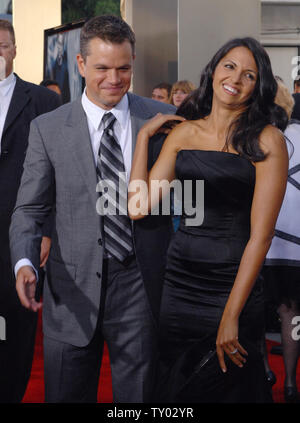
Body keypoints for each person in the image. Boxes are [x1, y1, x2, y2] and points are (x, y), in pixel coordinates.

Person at [9, 15, 175, 403]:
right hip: (71, 291)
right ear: (81, 65)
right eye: (102, 68)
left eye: (124, 68)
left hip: (141, 288)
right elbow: (29, 209)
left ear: (133, 62)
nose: (113, 79)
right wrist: (24, 262)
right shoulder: (48, 129)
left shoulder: (161, 120)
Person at [129, 37, 289, 403]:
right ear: (214, 69)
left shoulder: (268, 141)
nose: (236, 78)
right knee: (176, 387)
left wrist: (231, 314)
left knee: (229, 387)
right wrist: (143, 138)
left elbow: (260, 239)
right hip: (180, 284)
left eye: (249, 74)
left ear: (257, 86)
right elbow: (138, 206)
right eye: (230, 66)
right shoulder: (183, 133)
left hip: (233, 284)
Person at [0, 19, 61, 403]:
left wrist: (48, 230)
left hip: (20, 231)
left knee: (17, 323)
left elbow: (60, 176)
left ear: (16, 50)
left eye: (2, 46)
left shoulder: (43, 101)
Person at [264, 79, 300, 403]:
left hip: (264, 246)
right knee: (293, 315)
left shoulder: (267, 139)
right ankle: (290, 381)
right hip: (296, 246)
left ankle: (266, 373)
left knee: (259, 313)